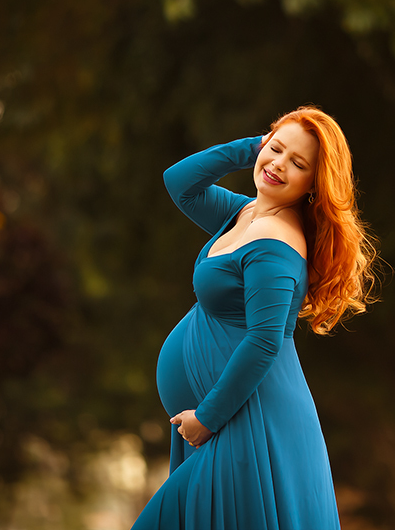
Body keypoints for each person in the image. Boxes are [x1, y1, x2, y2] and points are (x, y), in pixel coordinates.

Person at [131, 106, 377, 530]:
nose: (279, 165)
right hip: (225, 421)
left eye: (297, 164)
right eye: (276, 149)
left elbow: (265, 341)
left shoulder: (277, 243)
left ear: (313, 185)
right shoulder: (245, 215)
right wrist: (251, 149)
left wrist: (207, 418)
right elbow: (180, 184)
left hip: (247, 423)